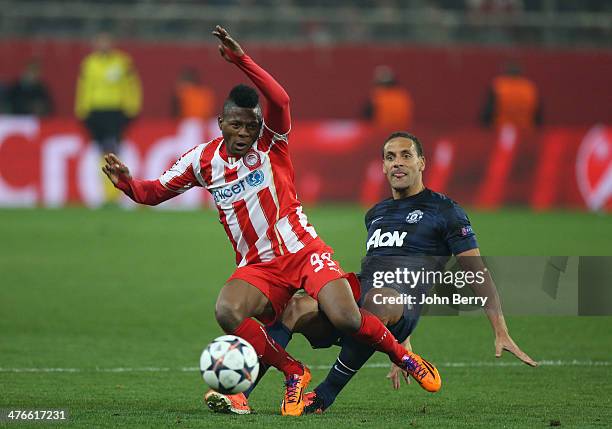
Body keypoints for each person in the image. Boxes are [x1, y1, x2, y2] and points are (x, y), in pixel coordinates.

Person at [102, 26, 440, 417]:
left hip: (302, 249)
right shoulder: (201, 161)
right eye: (236, 125)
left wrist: (241, 60)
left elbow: (280, 98)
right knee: (227, 311)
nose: (245, 132)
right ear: (221, 123)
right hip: (259, 266)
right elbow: (154, 191)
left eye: (251, 125)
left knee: (346, 317)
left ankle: (405, 358)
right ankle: (293, 372)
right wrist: (127, 184)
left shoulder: (272, 143)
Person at [205, 131, 537, 415]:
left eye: (406, 155)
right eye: (390, 157)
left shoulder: (446, 211)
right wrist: (396, 345)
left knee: (374, 301)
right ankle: (241, 393)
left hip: (395, 303)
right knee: (295, 305)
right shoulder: (376, 213)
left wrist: (500, 330)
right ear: (382, 166)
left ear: (422, 163)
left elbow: (475, 271)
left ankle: (324, 395)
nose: (398, 163)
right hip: (366, 296)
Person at [76, 32, 142, 203]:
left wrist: (132, 106)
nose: (103, 45)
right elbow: (84, 86)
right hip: (96, 110)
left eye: (106, 41)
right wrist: (82, 108)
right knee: (101, 151)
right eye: (100, 42)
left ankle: (114, 194)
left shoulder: (122, 61)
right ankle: (107, 193)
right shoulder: (89, 63)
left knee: (113, 150)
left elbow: (132, 85)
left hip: (115, 110)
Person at [481, 62, 542, 132]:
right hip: (526, 131)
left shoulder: (498, 86)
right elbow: (538, 115)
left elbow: (488, 112)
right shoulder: (529, 88)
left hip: (502, 131)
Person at [363, 65, 414, 130]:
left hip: (380, 133)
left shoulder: (376, 97)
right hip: (401, 134)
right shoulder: (403, 96)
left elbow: (367, 118)